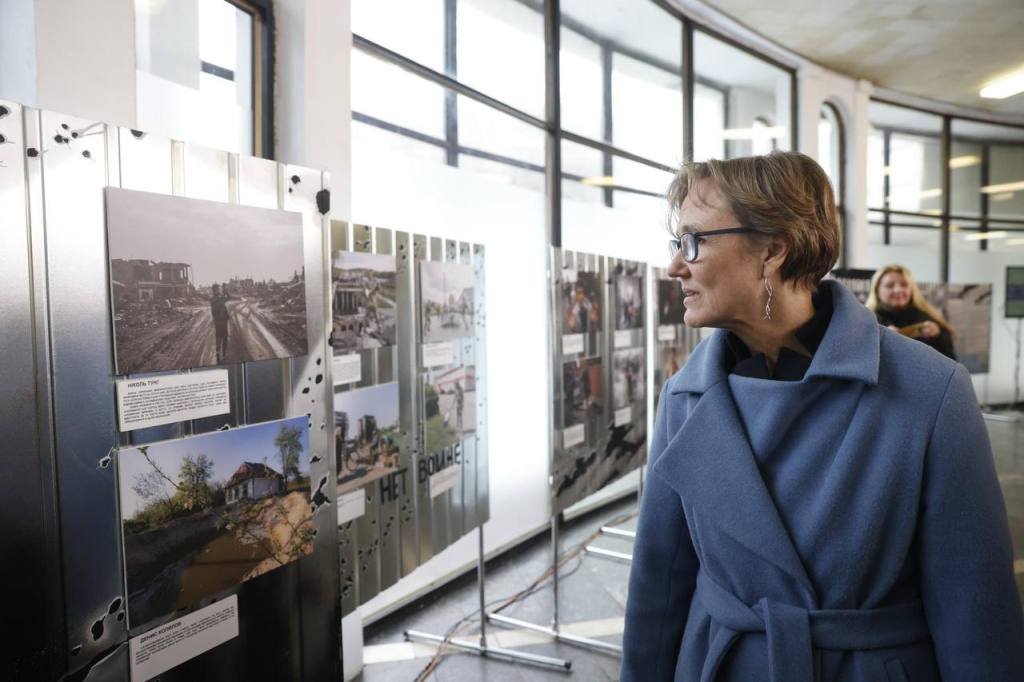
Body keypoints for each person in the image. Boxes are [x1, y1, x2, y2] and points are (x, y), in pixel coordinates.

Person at [621, 150, 1022, 681]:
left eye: (693, 242)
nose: (675, 265)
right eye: (677, 244)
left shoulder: (929, 390)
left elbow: (975, 612)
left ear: (773, 250)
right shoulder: (683, 397)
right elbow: (659, 588)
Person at [866, 264, 957, 360]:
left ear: (911, 289)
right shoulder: (867, 322)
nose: (898, 290)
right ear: (877, 290)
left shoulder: (929, 318)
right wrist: (881, 341)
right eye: (890, 285)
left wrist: (938, 336)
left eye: (904, 285)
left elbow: (951, 362)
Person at [209, 283, 230, 362]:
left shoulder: (214, 299)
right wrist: (224, 292)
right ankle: (220, 354)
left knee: (222, 338)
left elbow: (228, 297)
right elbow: (228, 298)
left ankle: (222, 354)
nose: (218, 290)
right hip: (220, 321)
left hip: (221, 321)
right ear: (214, 290)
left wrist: (225, 291)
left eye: (219, 289)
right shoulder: (216, 299)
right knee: (220, 338)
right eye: (217, 289)